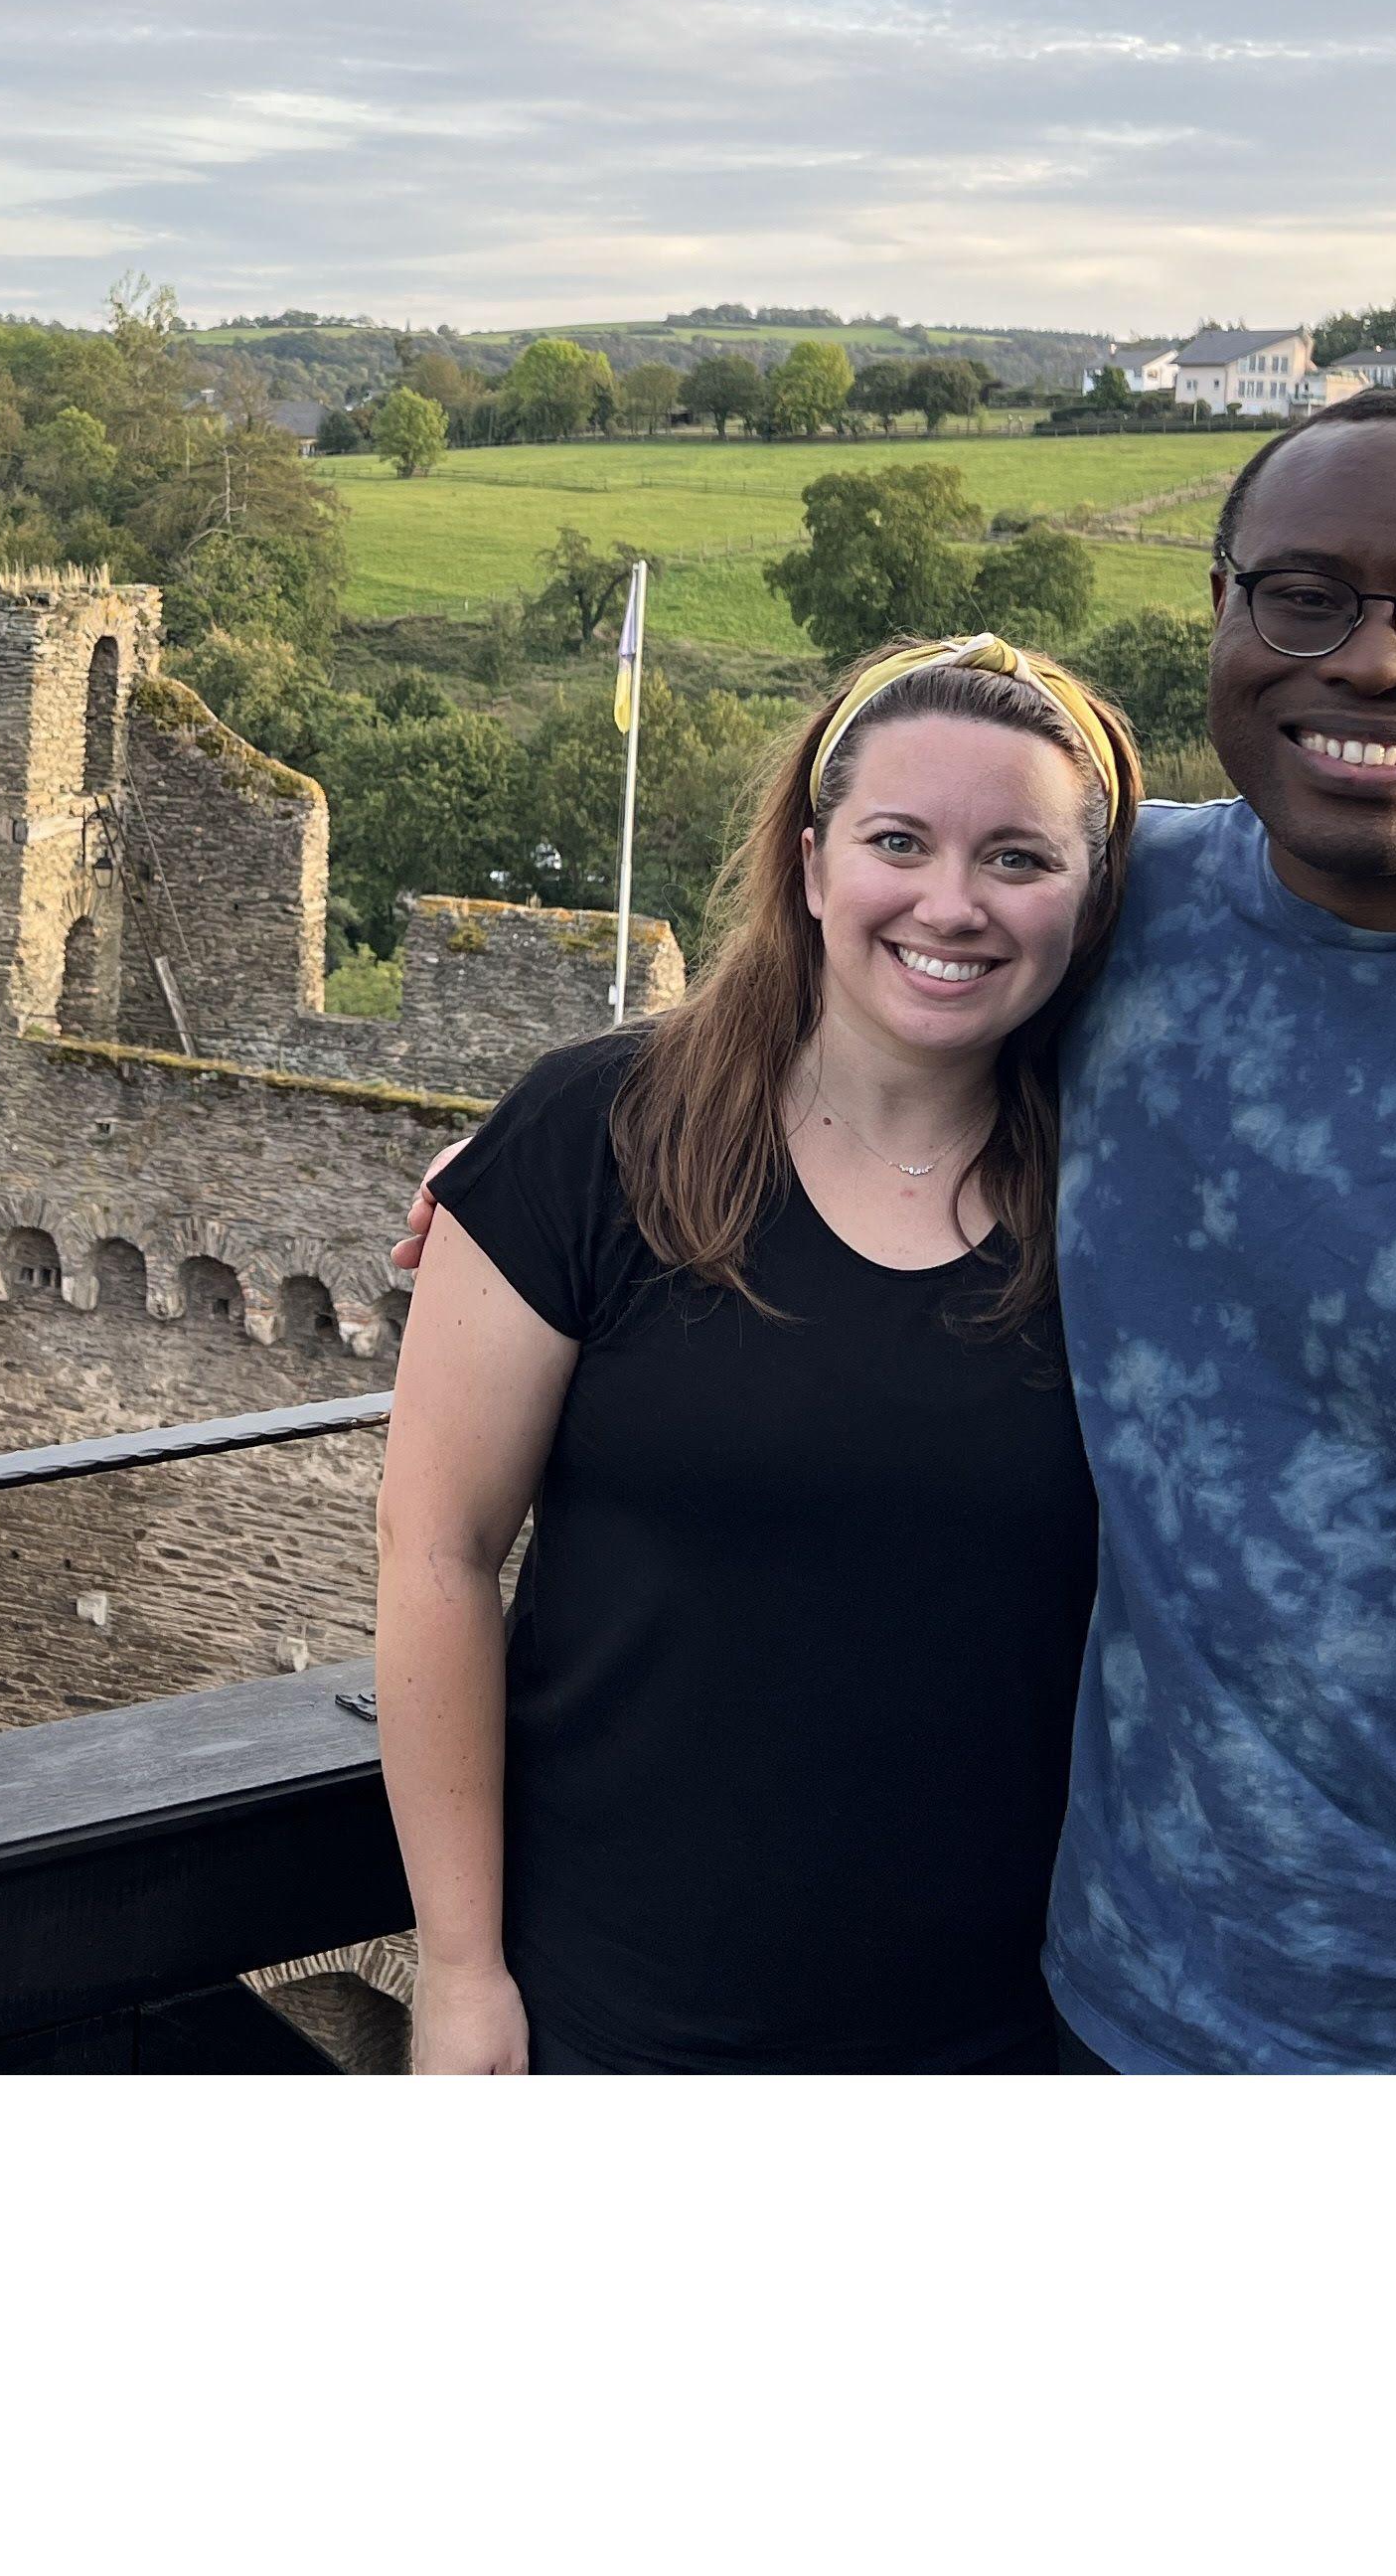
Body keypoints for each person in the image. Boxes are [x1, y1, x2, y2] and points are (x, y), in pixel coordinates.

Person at [402, 390, 1396, 2072]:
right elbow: (899, 974)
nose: (1378, 665)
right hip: (1105, 2026)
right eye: (1306, 596)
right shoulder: (1130, 913)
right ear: (1226, 616)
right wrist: (545, 1165)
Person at [376, 636, 1142, 2072]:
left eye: (1022, 860)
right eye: (897, 842)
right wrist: (462, 1967)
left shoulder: (1135, 1201)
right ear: (809, 862)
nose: (951, 905)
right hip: (613, 2008)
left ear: (1092, 900)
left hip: (996, 2033)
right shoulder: (599, 1139)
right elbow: (436, 1549)